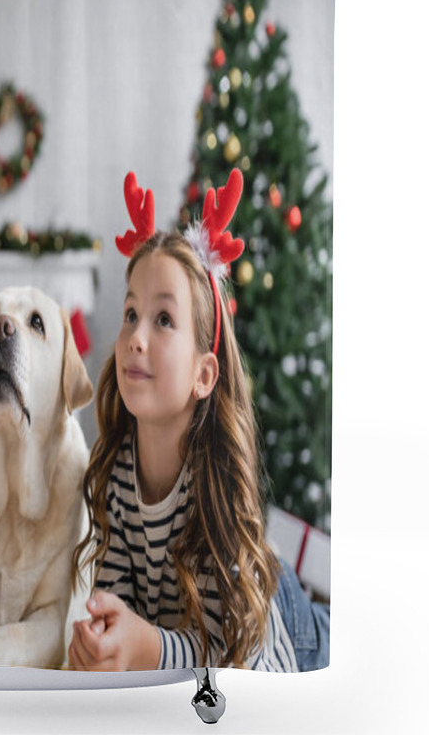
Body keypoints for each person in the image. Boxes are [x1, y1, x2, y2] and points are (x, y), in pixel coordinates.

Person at [69, 171, 329, 671]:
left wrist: (146, 649)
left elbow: (233, 656)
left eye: (163, 319)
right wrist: (105, 637)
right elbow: (119, 600)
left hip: (286, 631)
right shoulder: (120, 471)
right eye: (130, 313)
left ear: (203, 374)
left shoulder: (213, 487)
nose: (136, 337)